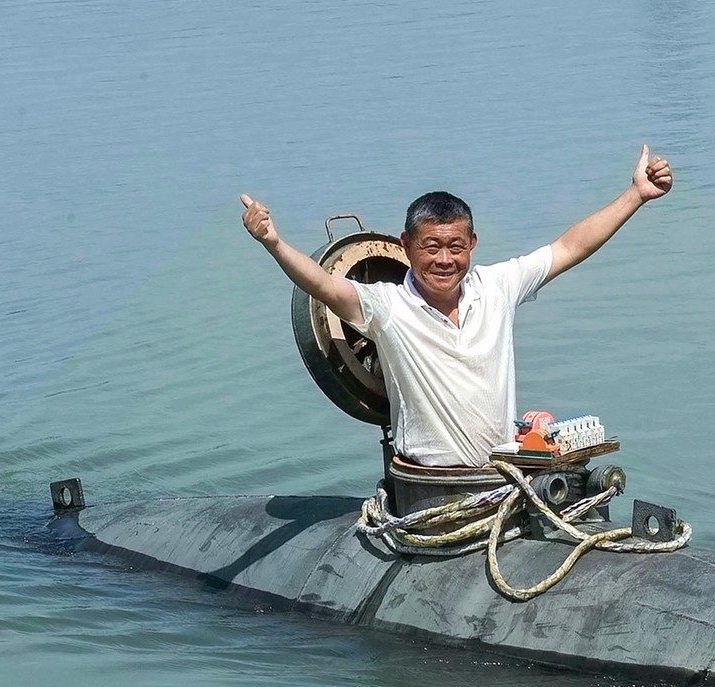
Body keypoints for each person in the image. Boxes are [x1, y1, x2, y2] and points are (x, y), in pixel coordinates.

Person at [239, 145, 672, 467]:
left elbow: (568, 246)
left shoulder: (497, 286)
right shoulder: (387, 307)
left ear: (472, 245)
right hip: (428, 483)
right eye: (431, 247)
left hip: (502, 476)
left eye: (455, 247)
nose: (444, 260)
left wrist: (636, 194)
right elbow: (322, 284)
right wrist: (273, 242)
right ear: (406, 246)